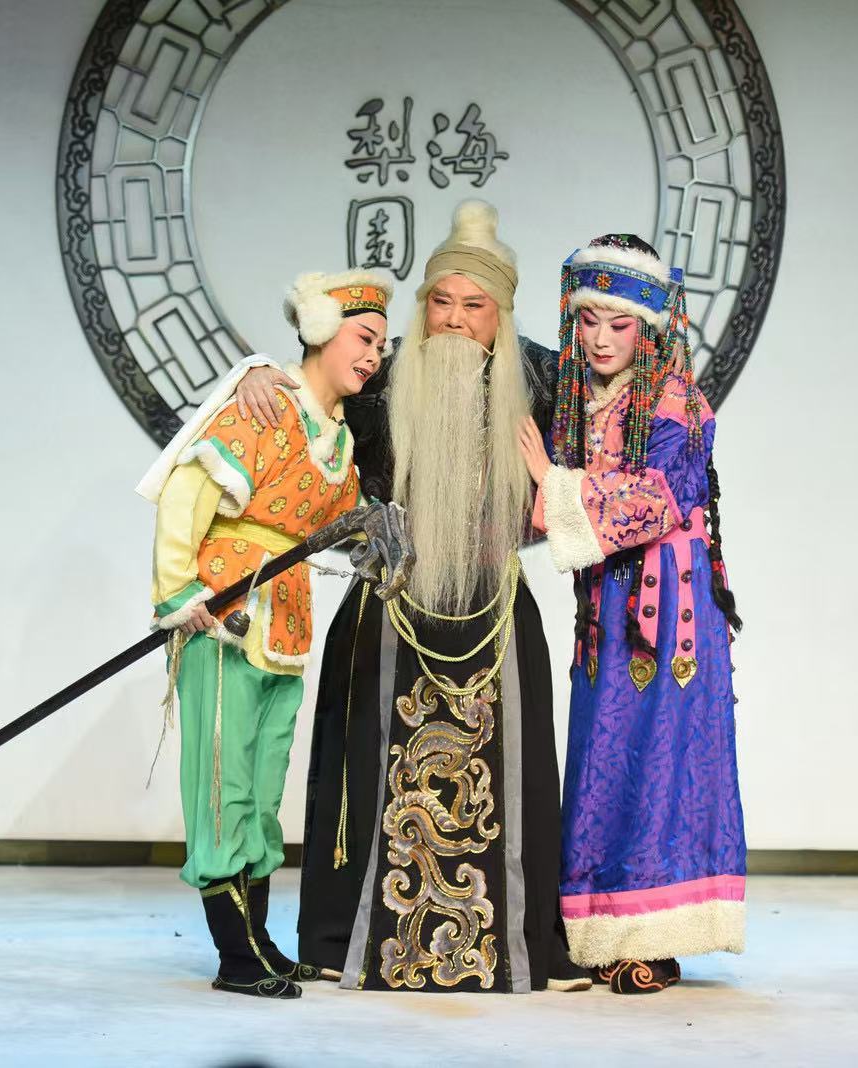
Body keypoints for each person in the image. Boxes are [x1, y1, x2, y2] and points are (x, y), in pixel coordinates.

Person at [235, 200, 585, 993]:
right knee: (363, 771)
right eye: (441, 301)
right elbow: (306, 389)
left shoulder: (542, 379)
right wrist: (252, 370)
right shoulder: (381, 372)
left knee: (517, 777)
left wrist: (548, 481)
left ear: (501, 314)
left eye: (475, 305)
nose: (455, 320)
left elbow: (616, 428)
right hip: (389, 604)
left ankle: (518, 942)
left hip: (493, 609)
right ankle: (347, 940)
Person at [136, 269, 392, 998]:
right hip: (224, 614)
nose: (372, 355)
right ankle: (234, 950)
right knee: (223, 777)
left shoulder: (338, 437)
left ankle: (257, 935)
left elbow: (339, 525)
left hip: (286, 618)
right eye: (362, 338)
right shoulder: (265, 405)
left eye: (380, 345)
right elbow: (187, 491)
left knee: (263, 779)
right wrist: (178, 592)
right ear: (321, 330)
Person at [515, 234, 746, 994]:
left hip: (669, 609)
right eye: (589, 321)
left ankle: (655, 934)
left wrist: (555, 482)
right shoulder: (579, 399)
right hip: (606, 607)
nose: (601, 339)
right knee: (601, 751)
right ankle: (598, 929)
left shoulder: (677, 402)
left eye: (619, 324)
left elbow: (662, 498)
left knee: (658, 757)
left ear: (648, 327)